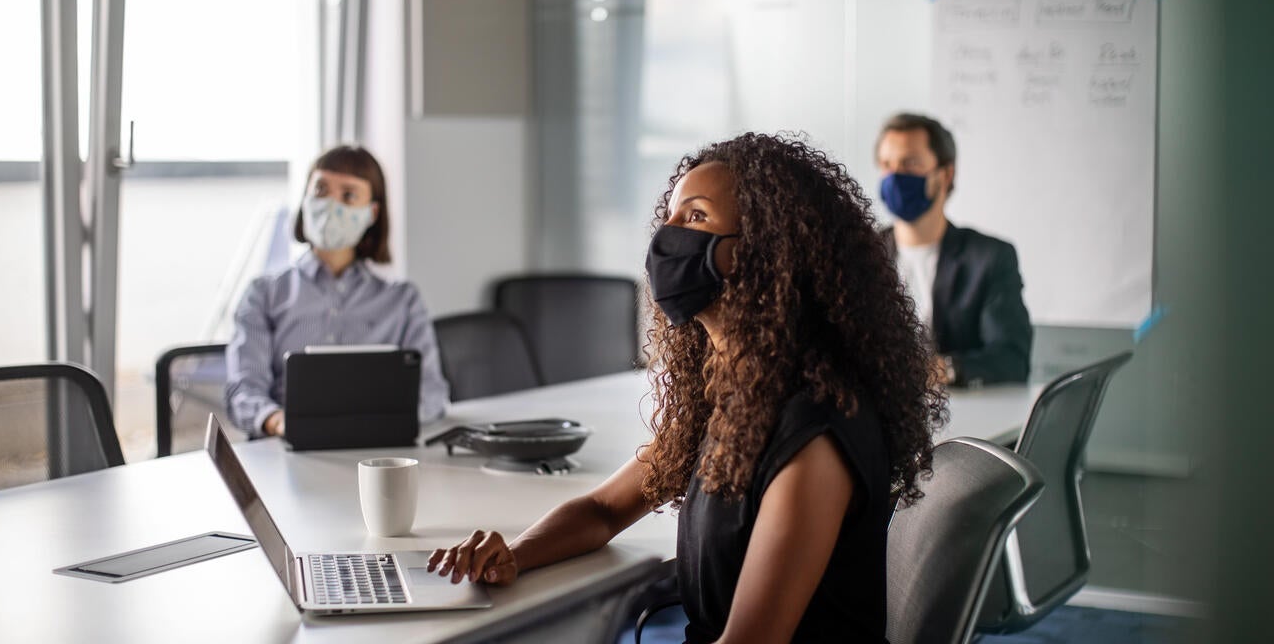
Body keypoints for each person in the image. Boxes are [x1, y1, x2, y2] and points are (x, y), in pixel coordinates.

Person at [428, 133, 946, 643]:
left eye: (696, 218)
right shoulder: (734, 395)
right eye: (670, 219)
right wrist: (514, 556)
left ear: (767, 253)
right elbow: (604, 510)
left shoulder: (818, 433)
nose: (667, 239)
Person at [225, 145, 450, 438]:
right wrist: (278, 421)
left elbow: (432, 393)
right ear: (305, 199)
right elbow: (243, 390)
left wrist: (372, 422)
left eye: (348, 195)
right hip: (284, 449)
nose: (331, 204)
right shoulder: (264, 294)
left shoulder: (402, 300)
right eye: (320, 190)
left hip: (378, 452)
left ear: (372, 213)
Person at [875, 112, 1033, 387]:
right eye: (887, 164)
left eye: (910, 163)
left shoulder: (989, 258)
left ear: (946, 174)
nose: (895, 176)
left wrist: (940, 370)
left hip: (957, 416)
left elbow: (1012, 359)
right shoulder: (861, 254)